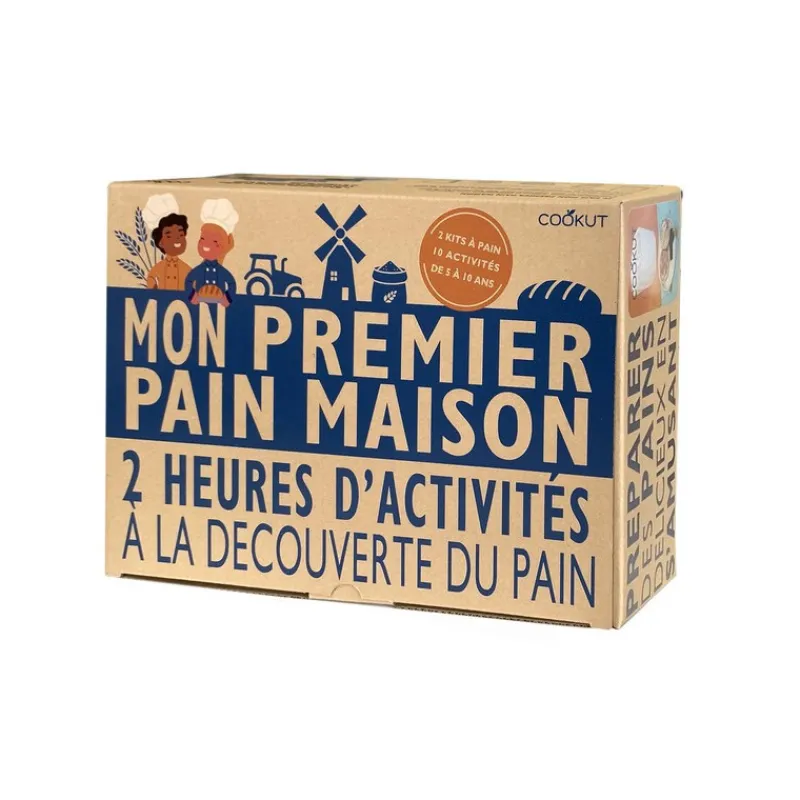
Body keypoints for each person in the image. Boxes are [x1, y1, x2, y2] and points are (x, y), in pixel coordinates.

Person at [185, 198, 239, 306]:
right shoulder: (199, 270)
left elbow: (231, 283)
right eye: (203, 238)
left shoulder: (221, 271)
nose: (206, 244)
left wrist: (227, 298)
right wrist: (192, 295)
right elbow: (189, 281)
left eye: (215, 241)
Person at [142, 194, 191, 290]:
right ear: (160, 242)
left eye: (181, 234)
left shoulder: (187, 271)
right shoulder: (157, 270)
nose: (177, 238)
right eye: (169, 236)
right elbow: (151, 285)